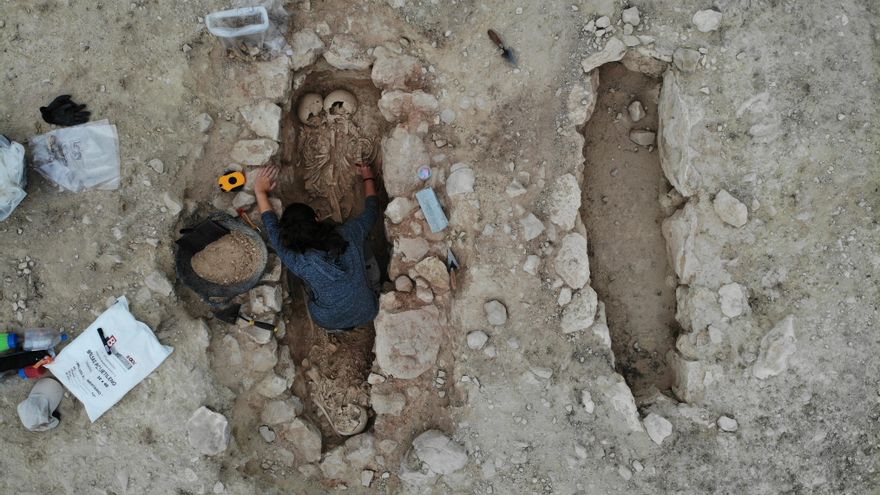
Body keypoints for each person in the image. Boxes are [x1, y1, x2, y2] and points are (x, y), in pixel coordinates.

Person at [254, 164, 380, 331]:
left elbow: (271, 227)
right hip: (368, 311)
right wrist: (368, 176)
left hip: (329, 322)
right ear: (317, 218)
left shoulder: (295, 260)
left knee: (303, 281)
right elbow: (371, 211)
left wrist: (260, 192)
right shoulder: (350, 233)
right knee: (362, 245)